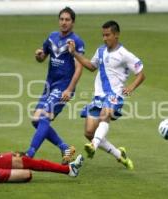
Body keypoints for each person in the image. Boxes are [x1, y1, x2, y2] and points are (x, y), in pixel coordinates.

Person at [68, 20, 145, 169]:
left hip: (115, 95)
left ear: (116, 35)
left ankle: (94, 146)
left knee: (105, 114)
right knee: (89, 132)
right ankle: (119, 154)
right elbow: (91, 66)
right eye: (103, 35)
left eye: (107, 35)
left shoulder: (124, 54)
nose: (104, 38)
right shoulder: (100, 51)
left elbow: (141, 74)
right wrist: (74, 53)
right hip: (99, 96)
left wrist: (131, 87)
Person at [26, 7, 85, 164]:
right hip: (49, 86)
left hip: (64, 87)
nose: (64, 22)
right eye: (62, 19)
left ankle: (29, 155)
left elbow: (79, 67)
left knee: (44, 117)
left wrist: (69, 89)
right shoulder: (52, 37)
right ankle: (64, 147)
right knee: (36, 120)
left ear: (73, 22)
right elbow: (42, 57)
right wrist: (39, 54)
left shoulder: (76, 42)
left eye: (67, 20)